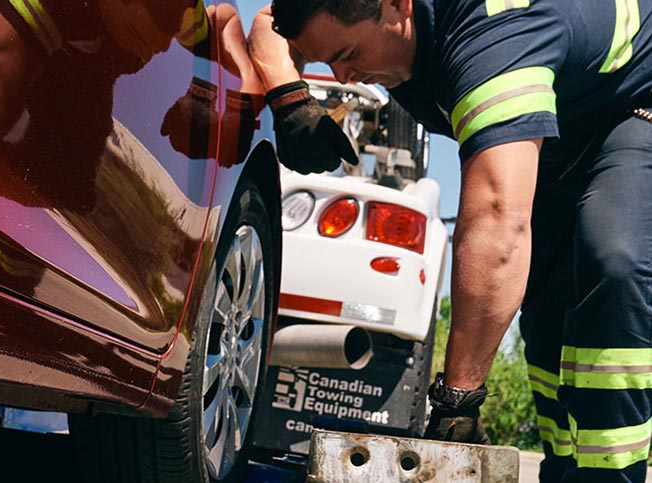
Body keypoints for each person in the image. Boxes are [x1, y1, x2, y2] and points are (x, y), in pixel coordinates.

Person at [248, 0, 652, 481]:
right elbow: (266, 25)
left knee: (613, 263)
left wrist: (457, 401)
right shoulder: (343, 9)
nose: (344, 75)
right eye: (328, 60)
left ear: (397, 6)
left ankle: (609, 475)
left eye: (349, 53)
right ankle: (563, 465)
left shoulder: (493, 41)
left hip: (632, 105)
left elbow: (496, 220)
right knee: (547, 314)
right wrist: (289, 96)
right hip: (559, 124)